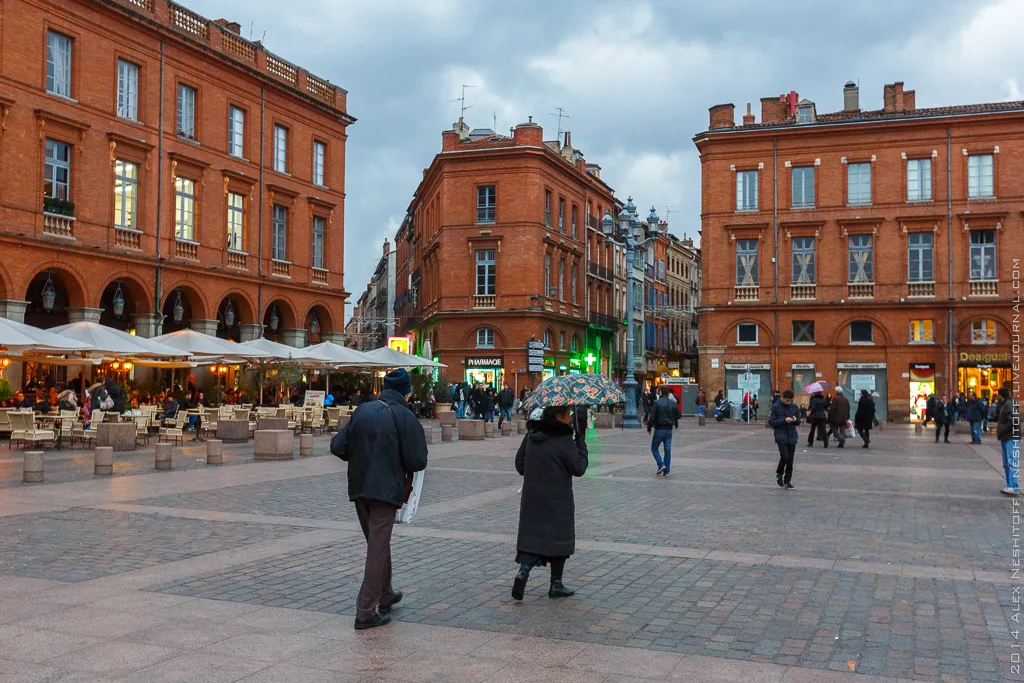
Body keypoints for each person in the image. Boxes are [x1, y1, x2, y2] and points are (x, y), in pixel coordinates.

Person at [330, 368, 428, 630]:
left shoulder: (363, 409)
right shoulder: (405, 416)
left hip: (359, 486)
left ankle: (386, 593)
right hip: (386, 489)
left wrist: (362, 456)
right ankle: (365, 611)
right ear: (406, 391)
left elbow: (337, 446)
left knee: (377, 542)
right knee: (377, 545)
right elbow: (418, 460)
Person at [512, 404, 588, 601]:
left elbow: (520, 463)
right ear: (558, 416)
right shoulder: (563, 439)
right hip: (557, 498)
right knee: (558, 540)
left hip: (532, 497)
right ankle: (556, 584)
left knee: (533, 537)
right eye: (567, 414)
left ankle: (523, 572)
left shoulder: (531, 435)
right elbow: (579, 468)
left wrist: (534, 473)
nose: (570, 418)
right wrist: (581, 443)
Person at [769, 389, 800, 489]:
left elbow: (799, 420)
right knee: (785, 456)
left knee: (790, 459)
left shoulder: (794, 406)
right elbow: (771, 422)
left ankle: (788, 480)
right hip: (781, 435)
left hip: (792, 435)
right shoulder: (775, 407)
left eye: (790, 400)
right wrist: (784, 420)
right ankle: (779, 472)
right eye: (787, 400)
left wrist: (795, 420)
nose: (789, 402)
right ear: (782, 398)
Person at [646, 386, 677, 477]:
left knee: (654, 448)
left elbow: (652, 417)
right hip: (669, 429)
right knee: (667, 450)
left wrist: (649, 428)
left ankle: (661, 464)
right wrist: (673, 420)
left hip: (659, 429)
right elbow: (678, 414)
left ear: (661, 393)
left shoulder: (657, 403)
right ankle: (666, 471)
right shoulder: (673, 403)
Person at [996, 387, 1020, 496]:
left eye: (998, 395)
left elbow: (1014, 420)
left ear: (1001, 395)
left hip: (1011, 437)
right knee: (1007, 463)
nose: (997, 397)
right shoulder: (1006, 403)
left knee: (1011, 462)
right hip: (1006, 437)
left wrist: (1002, 429)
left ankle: (1014, 486)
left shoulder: (1009, 404)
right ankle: (1009, 485)